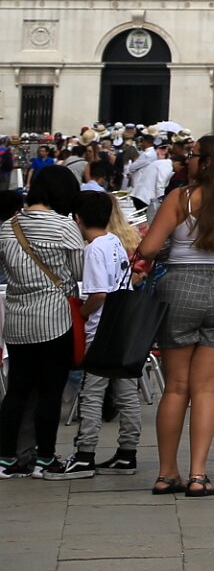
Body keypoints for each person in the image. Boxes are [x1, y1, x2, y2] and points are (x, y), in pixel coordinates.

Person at [132, 134, 214, 494]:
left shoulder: (181, 198)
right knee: (206, 388)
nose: (187, 159)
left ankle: (166, 474)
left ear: (206, 162)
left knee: (176, 387)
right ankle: (198, 475)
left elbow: (148, 248)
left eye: (193, 155)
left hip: (180, 287)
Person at [0, 168, 85, 478]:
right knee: (51, 390)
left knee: (17, 390)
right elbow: (79, 271)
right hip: (54, 318)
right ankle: (45, 458)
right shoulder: (65, 226)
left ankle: (6, 458)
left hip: (17, 320)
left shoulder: (7, 227)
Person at [64, 189, 142, 476]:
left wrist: (82, 314)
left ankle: (85, 454)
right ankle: (127, 453)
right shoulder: (114, 242)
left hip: (101, 332)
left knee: (92, 394)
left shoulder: (93, 249)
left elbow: (98, 294)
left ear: (77, 219)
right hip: (123, 327)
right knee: (126, 393)